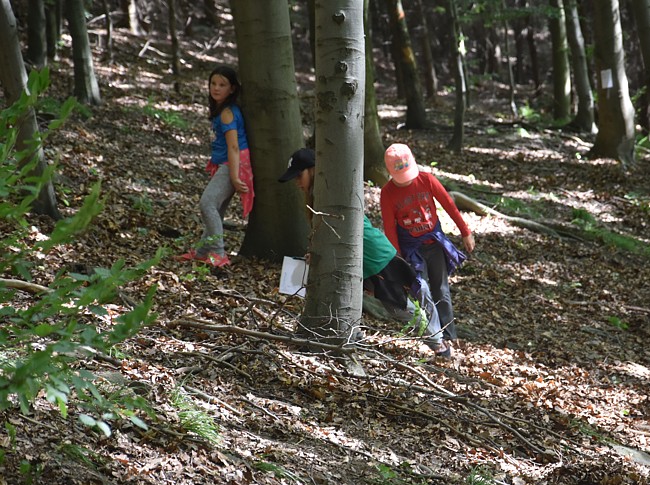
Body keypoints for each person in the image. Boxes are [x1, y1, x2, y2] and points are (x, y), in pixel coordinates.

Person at [278, 148, 451, 357]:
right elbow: (325, 234)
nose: (297, 182)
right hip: (367, 260)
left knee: (406, 303)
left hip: (376, 256)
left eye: (299, 175)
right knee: (408, 298)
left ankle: (437, 342)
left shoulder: (330, 194)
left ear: (313, 170)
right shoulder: (317, 198)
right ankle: (432, 340)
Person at [380, 143, 475, 350]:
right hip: (411, 250)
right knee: (421, 290)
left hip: (434, 242)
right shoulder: (387, 193)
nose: (407, 181)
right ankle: (435, 338)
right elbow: (390, 227)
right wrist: (398, 258)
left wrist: (465, 232)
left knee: (441, 289)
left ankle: (450, 334)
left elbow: (449, 205)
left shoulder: (426, 180)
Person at [178, 65, 253, 267]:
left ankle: (218, 254)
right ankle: (203, 251)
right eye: (213, 83)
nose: (216, 88)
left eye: (222, 85)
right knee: (216, 207)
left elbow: (234, 146)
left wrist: (235, 177)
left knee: (207, 203)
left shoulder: (228, 113)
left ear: (233, 89)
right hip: (229, 162)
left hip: (234, 163)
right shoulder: (223, 110)